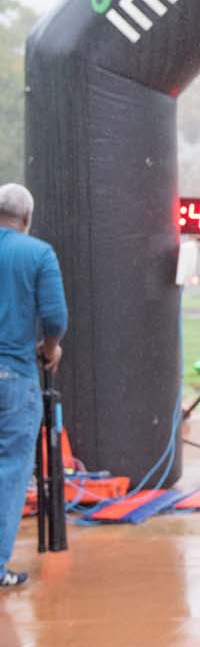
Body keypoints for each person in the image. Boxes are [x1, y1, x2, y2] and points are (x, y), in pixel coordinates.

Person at [0, 183, 67, 591]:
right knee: (9, 471)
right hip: (13, 378)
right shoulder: (37, 253)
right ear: (26, 219)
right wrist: (50, 348)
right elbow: (55, 317)